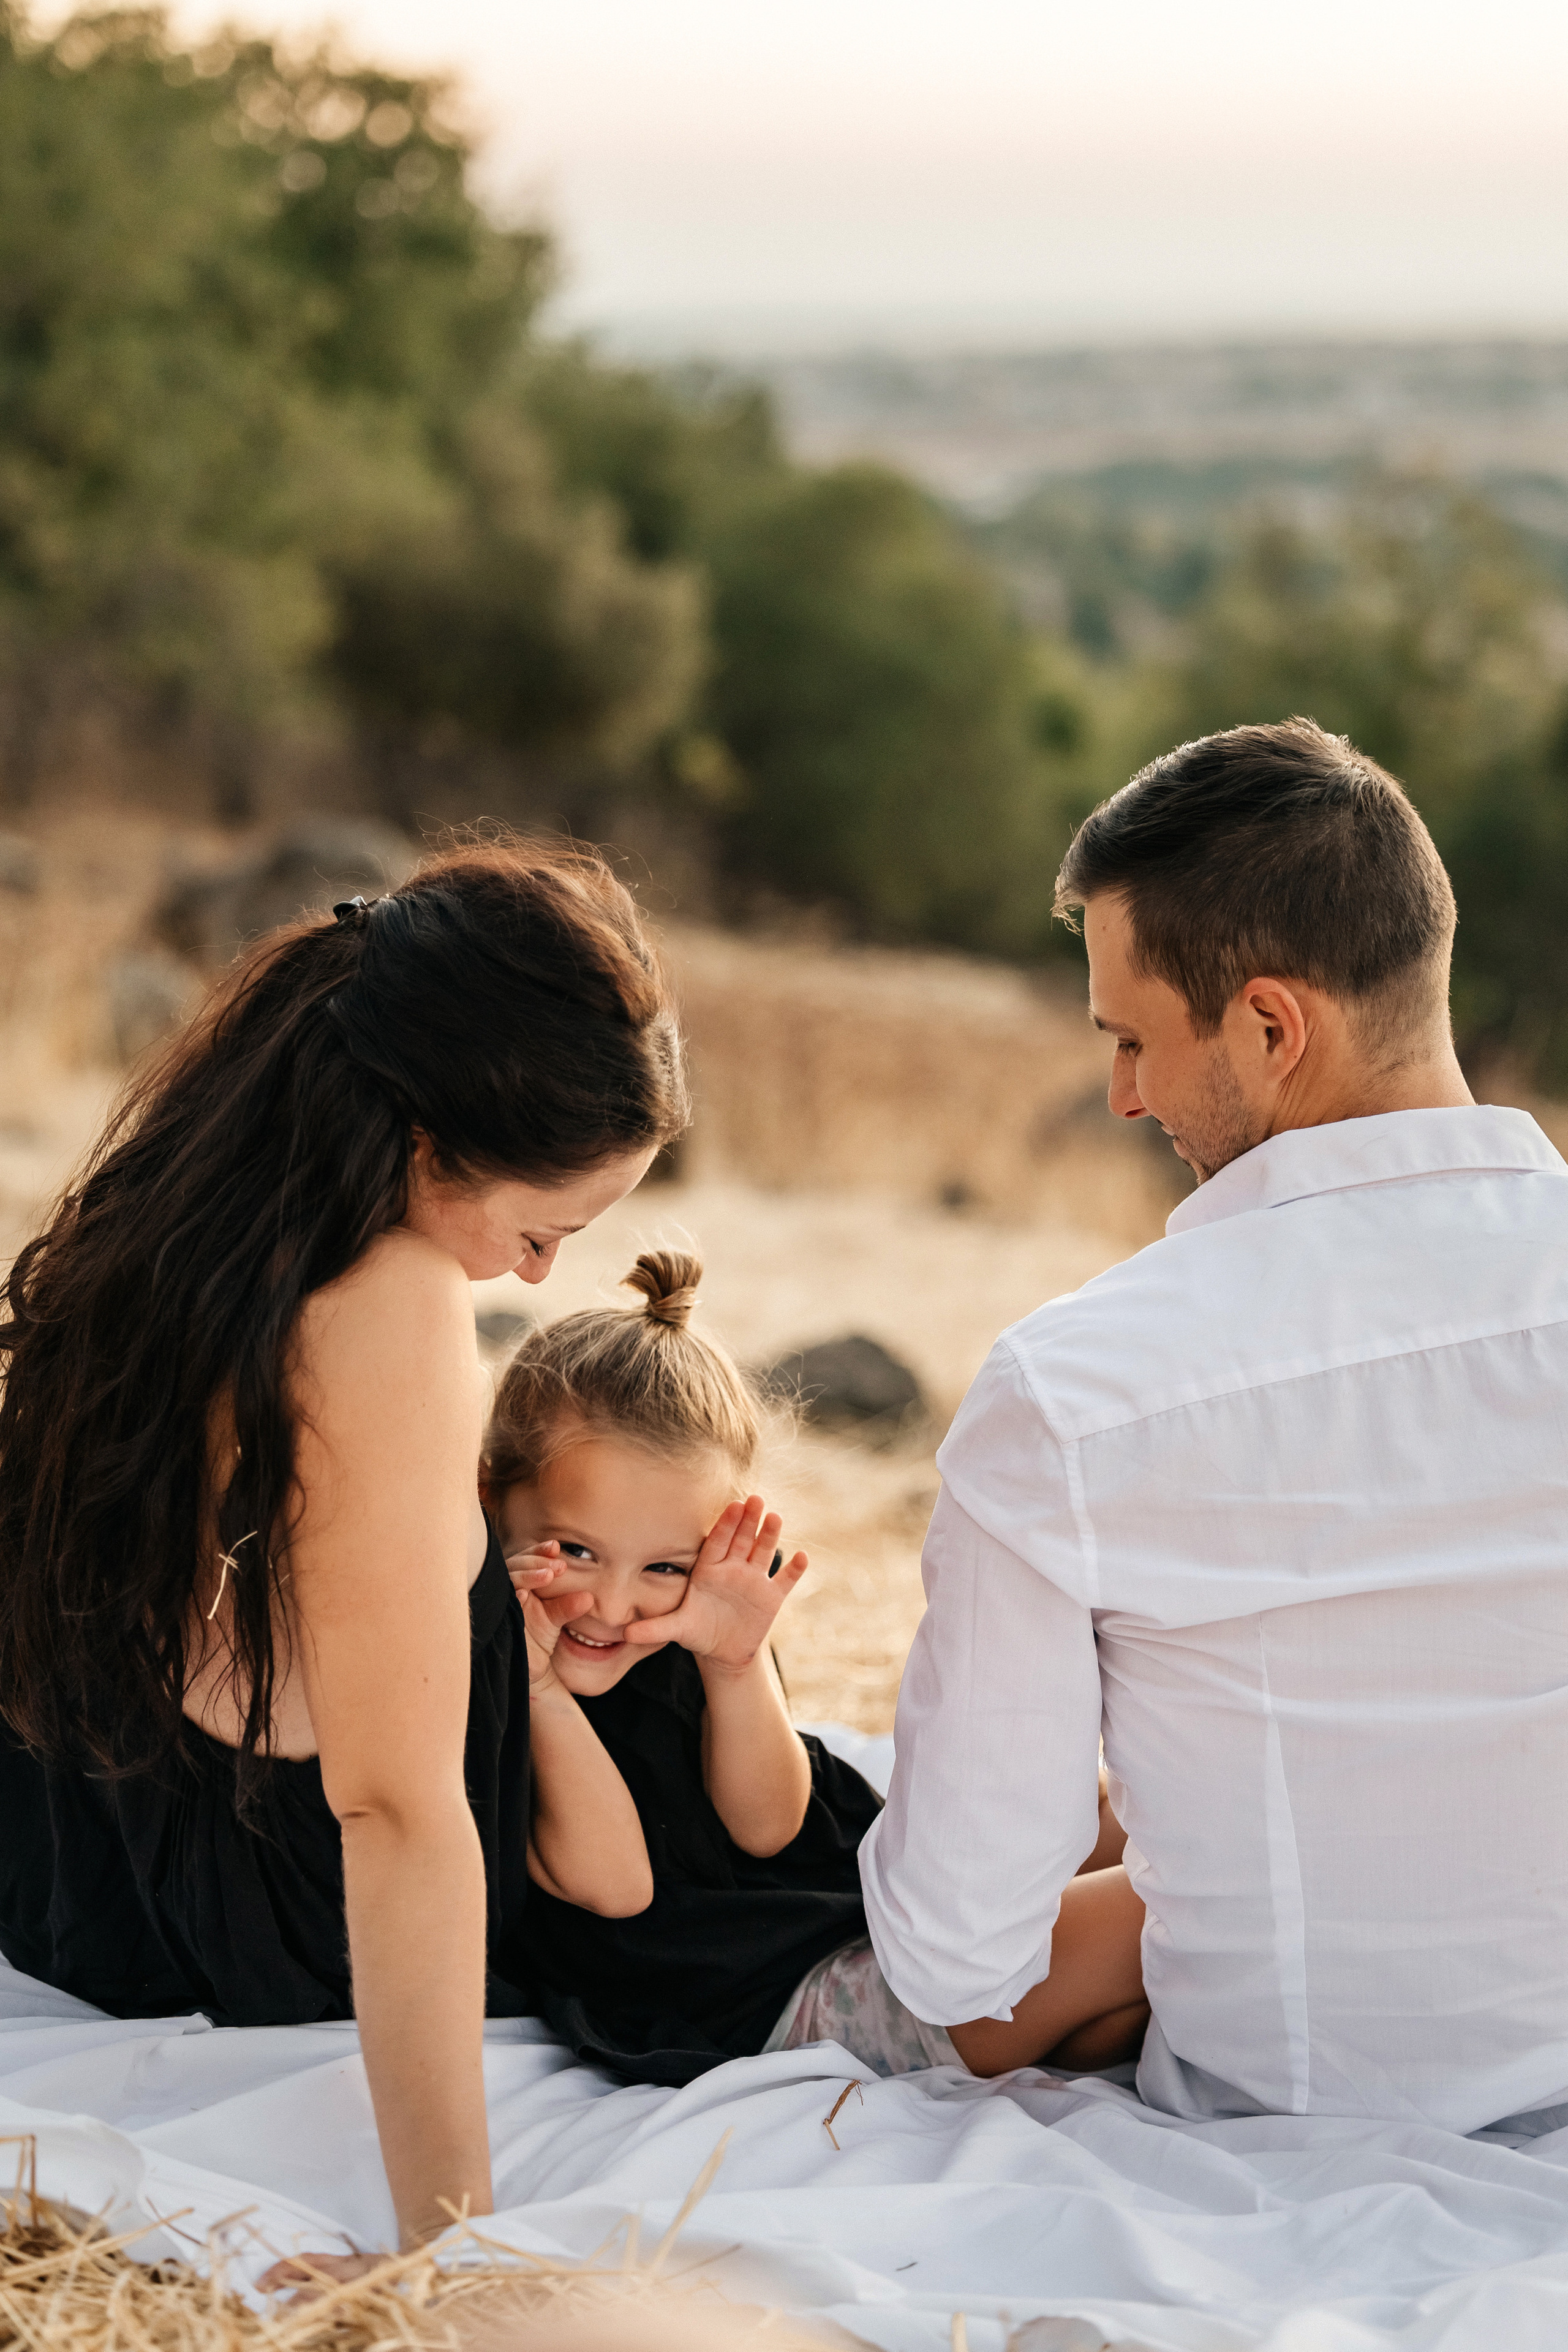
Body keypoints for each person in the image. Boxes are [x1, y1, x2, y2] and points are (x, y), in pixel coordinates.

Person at [861, 715, 1568, 2130]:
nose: (1121, 1096)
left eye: (1131, 1039)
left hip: (1281, 2147)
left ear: (1266, 1026)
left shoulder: (1073, 1393)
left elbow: (954, 1948)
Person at [0, 842, 685, 2260]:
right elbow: (392, 1811)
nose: (535, 1278)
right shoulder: (397, 1302)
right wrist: (450, 2238)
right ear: (431, 1145)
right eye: (539, 1228)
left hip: (79, 1875)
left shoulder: (172, 1215)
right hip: (281, 1916)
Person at [489, 1250, 1142, 2085]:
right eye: (577, 1550)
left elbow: (771, 1823)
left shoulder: (676, 1630)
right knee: (1160, 1896)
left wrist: (735, 1660)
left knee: (1124, 1811)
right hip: (785, 2003)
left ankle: (1086, 2031)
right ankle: (1077, 2016)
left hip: (858, 1914)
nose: (617, 1607)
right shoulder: (501, 1680)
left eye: (663, 1566)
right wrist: (542, 1690)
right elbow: (616, 1888)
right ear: (491, 1500)